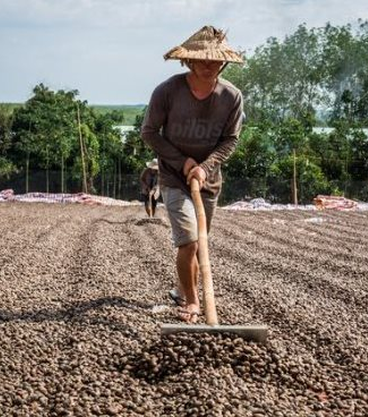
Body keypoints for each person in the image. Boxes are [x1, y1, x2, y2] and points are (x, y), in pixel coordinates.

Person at [141, 26, 244, 323]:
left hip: (208, 181)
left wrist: (205, 166)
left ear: (223, 62)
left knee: (200, 242)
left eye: (215, 61)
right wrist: (183, 161)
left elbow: (230, 140)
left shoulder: (231, 97)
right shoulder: (167, 91)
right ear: (188, 61)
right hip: (173, 176)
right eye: (202, 60)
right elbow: (149, 132)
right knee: (188, 241)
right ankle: (193, 302)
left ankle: (181, 288)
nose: (209, 66)